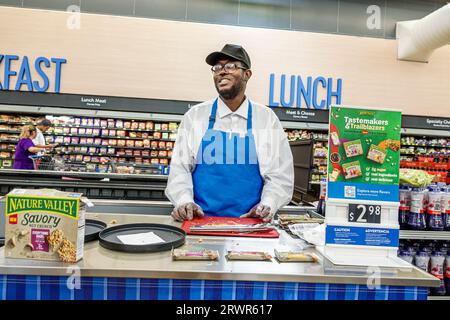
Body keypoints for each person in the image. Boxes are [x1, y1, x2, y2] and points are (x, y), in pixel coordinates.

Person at [165, 44, 294, 222]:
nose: (222, 72)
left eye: (230, 66)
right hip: (200, 224)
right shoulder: (195, 116)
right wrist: (184, 201)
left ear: (247, 74)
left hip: (250, 224)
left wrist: (267, 204)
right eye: (217, 67)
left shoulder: (266, 119)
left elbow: (280, 176)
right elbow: (180, 170)